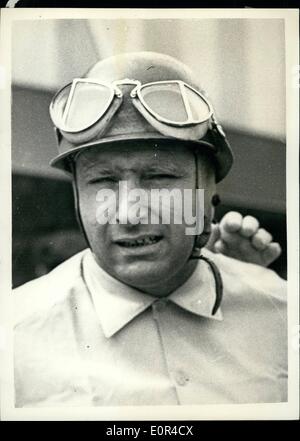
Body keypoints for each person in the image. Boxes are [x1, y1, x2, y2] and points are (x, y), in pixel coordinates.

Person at [14, 52, 286, 407]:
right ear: (77, 194)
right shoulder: (14, 336)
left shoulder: (283, 313)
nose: (128, 213)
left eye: (159, 177)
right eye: (102, 180)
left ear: (209, 190)